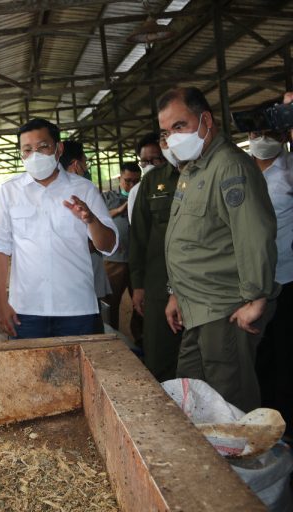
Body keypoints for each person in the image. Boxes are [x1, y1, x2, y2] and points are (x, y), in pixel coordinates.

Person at [159, 87, 278, 412]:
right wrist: (175, 293)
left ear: (205, 120)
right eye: (166, 132)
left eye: (179, 126)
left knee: (230, 402)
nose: (172, 138)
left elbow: (254, 234)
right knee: (193, 396)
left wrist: (256, 298)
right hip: (195, 305)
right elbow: (189, 240)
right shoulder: (194, 169)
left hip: (224, 308)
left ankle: (242, 462)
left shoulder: (230, 167)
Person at [0, 118, 118, 339]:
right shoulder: (9, 192)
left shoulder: (84, 189)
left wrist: (91, 220)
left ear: (58, 149)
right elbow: (0, 249)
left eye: (43, 147)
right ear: (21, 155)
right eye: (27, 150)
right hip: (27, 312)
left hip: (78, 311)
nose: (35, 155)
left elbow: (109, 246)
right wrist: (1, 304)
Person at [246, 119, 293, 438]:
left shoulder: (288, 172)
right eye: (256, 133)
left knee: (286, 352)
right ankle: (268, 416)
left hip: (286, 278)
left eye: (271, 134)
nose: (262, 139)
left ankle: (287, 421)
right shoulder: (247, 173)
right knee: (260, 353)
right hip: (255, 282)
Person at [129, 133, 184, 381]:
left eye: (157, 159)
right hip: (158, 285)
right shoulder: (151, 183)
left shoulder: (205, 175)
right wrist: (138, 285)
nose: (151, 165)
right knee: (160, 360)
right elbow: (139, 237)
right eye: (145, 161)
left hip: (201, 286)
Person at [60, 140, 111, 333]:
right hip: (83, 270)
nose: (86, 167)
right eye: (85, 162)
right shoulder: (85, 190)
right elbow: (100, 239)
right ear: (75, 164)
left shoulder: (84, 189)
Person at [102, 162, 142, 340]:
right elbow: (98, 217)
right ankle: (113, 336)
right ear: (120, 178)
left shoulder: (143, 195)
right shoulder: (107, 197)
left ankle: (140, 338)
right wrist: (119, 210)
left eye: (136, 181)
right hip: (114, 260)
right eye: (127, 181)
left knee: (140, 302)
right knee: (111, 302)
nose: (131, 185)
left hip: (137, 261)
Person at [127, 132, 167, 222]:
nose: (149, 165)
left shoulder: (178, 183)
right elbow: (136, 227)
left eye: (155, 159)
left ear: (165, 158)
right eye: (144, 161)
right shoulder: (136, 191)